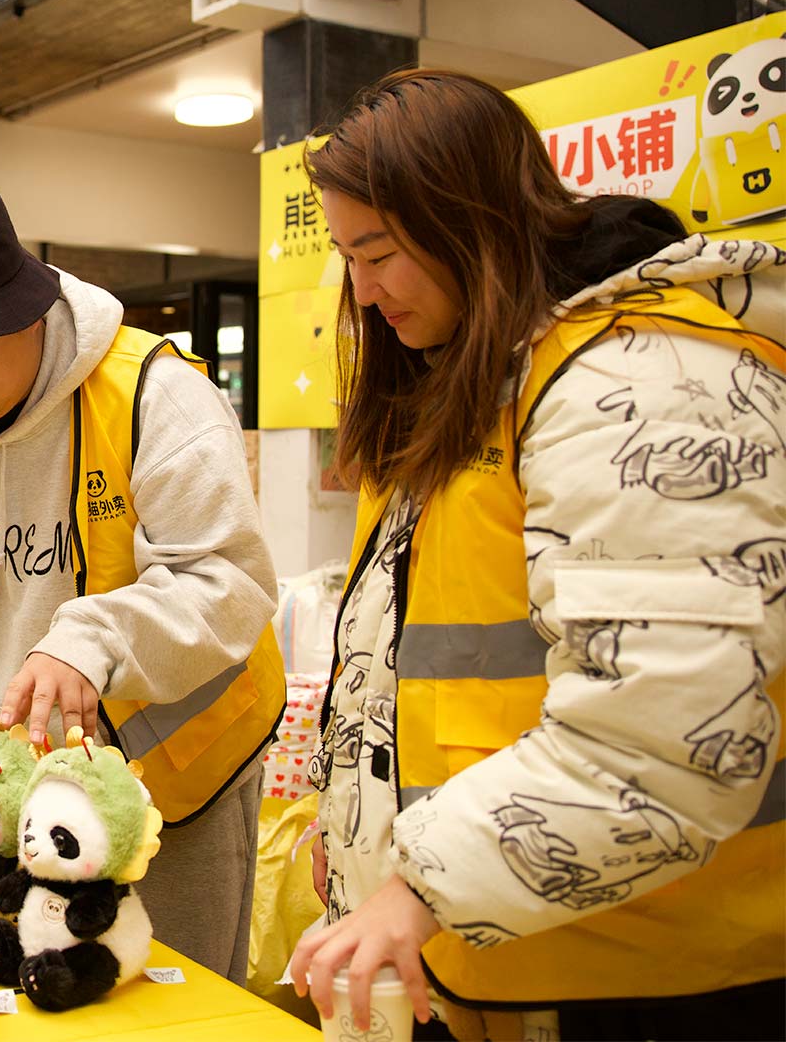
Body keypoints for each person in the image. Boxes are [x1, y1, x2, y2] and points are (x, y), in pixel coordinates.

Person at [285, 69, 785, 1041]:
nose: (362, 289)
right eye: (347, 257)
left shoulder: (643, 383)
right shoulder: (456, 382)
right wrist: (352, 835)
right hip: (489, 959)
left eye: (377, 252)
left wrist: (418, 883)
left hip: (650, 983)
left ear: (465, 217)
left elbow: (667, 734)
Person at [0, 177, 287, 983]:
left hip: (171, 782)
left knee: (172, 1007)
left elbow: (228, 577)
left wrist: (89, 642)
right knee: (19, 997)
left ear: (25, 310)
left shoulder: (153, 392)